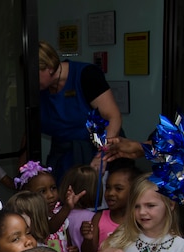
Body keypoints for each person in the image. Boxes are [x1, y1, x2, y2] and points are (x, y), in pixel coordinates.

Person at [37, 41, 122, 183]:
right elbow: (31, 124)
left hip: (96, 153)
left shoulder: (86, 75)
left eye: (35, 73)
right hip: (63, 159)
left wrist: (102, 155)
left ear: (49, 68)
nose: (30, 80)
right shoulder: (39, 90)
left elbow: (113, 117)